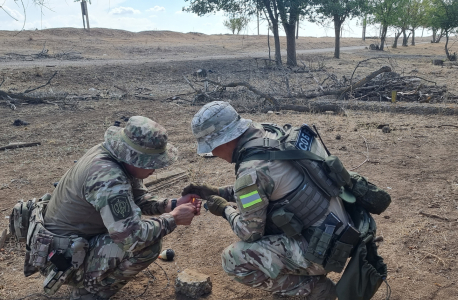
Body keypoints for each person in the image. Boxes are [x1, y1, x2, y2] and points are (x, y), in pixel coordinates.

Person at [184, 101, 353, 299]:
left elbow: (249, 233)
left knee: (234, 259)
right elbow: (267, 189)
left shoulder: (252, 170)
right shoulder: (270, 133)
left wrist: (224, 210)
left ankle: (314, 289)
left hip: (321, 250)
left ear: (225, 140)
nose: (212, 153)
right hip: (342, 228)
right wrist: (218, 191)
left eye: (212, 147)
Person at [31, 116, 200, 299]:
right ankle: (88, 292)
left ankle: (91, 276)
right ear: (135, 159)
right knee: (148, 245)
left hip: (67, 244)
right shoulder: (108, 177)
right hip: (61, 258)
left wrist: (172, 205)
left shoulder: (115, 156)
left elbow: (138, 197)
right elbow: (132, 238)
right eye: (152, 164)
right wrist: (173, 218)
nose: (154, 170)